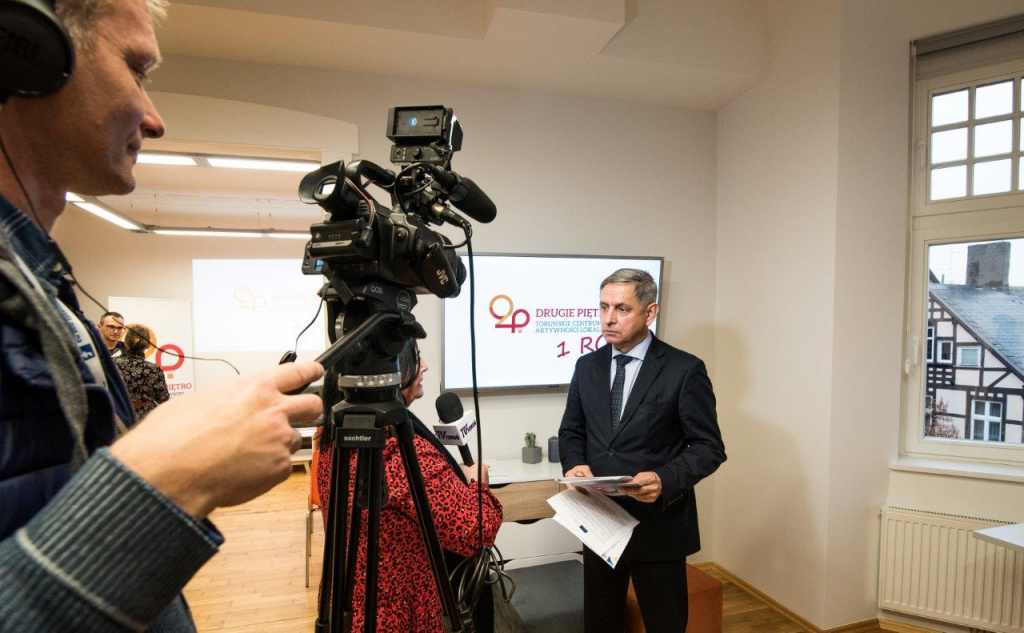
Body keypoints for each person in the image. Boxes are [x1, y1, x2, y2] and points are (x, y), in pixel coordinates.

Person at [0, 1, 323, 630]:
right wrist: (167, 479)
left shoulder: (38, 284)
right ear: (26, 48)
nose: (155, 119)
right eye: (136, 69)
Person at [558, 268, 726, 633]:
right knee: (601, 624)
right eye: (603, 307)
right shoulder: (586, 366)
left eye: (621, 308)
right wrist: (575, 464)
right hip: (599, 522)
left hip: (658, 528)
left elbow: (709, 447)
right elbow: (571, 430)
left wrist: (665, 478)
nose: (609, 318)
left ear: (650, 312)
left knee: (664, 624)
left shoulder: (684, 370)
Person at [316, 339, 503, 632]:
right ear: (392, 372)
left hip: (345, 607)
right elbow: (476, 529)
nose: (424, 366)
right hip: (399, 615)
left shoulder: (334, 440)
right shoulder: (397, 453)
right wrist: (478, 484)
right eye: (416, 358)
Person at [115, 323, 170, 420]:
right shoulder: (153, 369)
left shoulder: (112, 363)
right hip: (145, 419)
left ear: (125, 343)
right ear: (148, 345)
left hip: (119, 417)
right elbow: (163, 398)